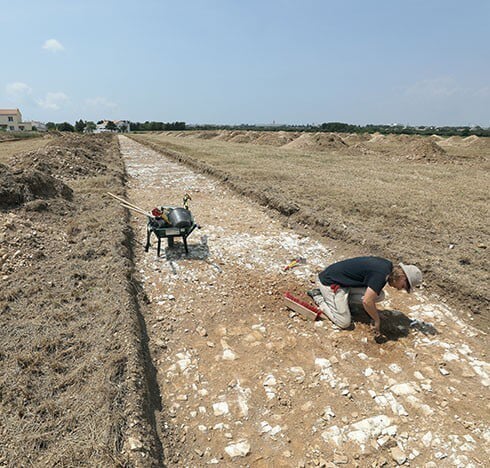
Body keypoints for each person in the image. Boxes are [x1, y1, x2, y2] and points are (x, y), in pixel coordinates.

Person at [308, 256, 422, 334]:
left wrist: (375, 313)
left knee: (379, 295)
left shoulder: (387, 267)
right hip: (330, 283)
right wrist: (376, 320)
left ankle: (342, 303)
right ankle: (319, 298)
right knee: (344, 322)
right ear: (402, 277)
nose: (399, 289)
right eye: (403, 286)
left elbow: (369, 298)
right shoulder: (381, 274)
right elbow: (367, 301)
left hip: (345, 283)